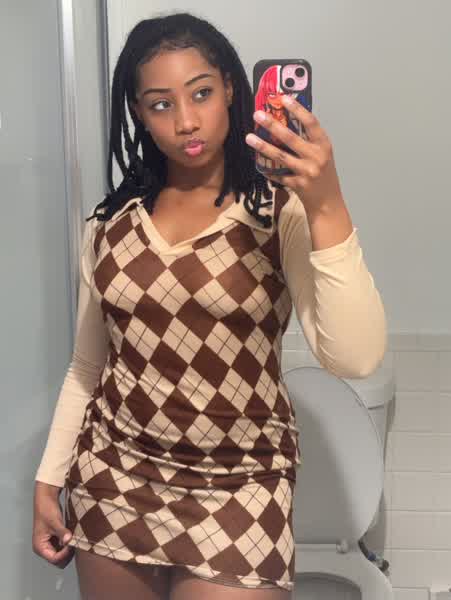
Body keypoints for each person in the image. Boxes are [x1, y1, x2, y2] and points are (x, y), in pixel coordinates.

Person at [32, 11, 387, 600]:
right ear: (138, 113)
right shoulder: (109, 225)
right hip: (114, 477)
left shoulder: (277, 212)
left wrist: (326, 203)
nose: (186, 121)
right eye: (161, 104)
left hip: (241, 487)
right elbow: (88, 367)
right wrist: (48, 480)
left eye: (200, 93)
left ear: (230, 88)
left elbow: (355, 357)